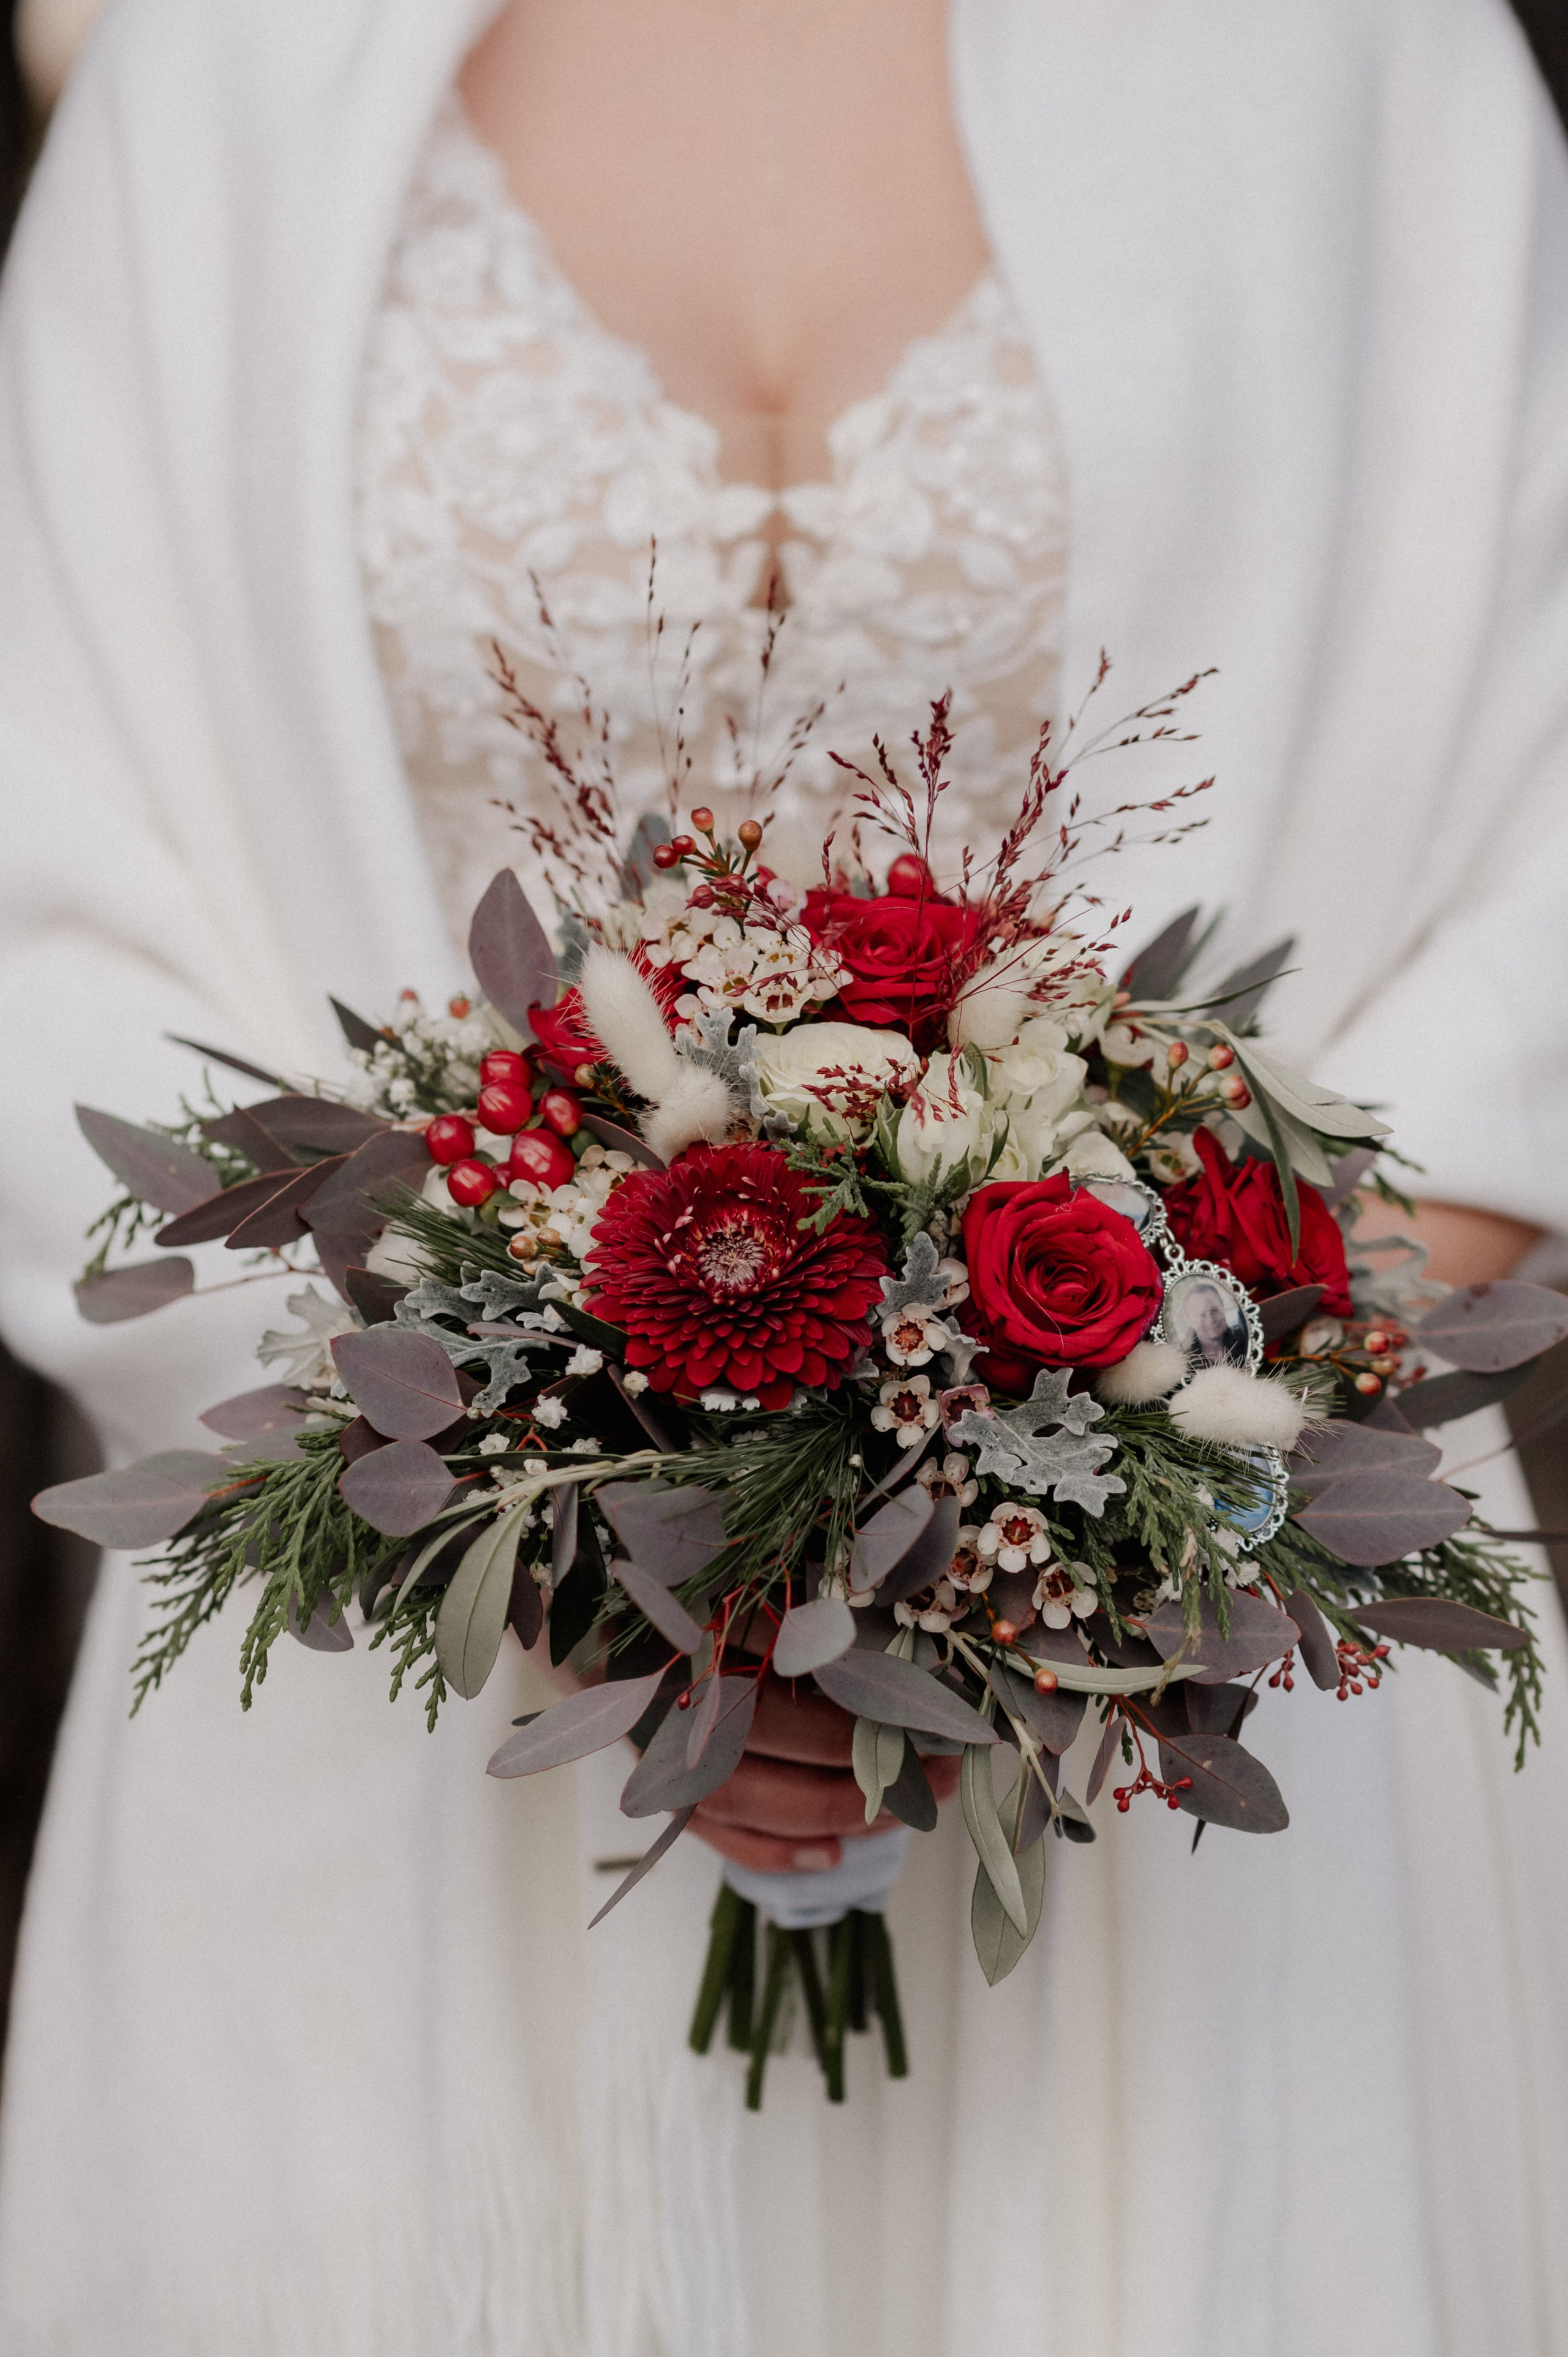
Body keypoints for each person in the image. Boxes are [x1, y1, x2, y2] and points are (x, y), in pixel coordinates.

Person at [2, 2, 1567, 2351]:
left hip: (1199, 1704)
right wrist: (554, 1498)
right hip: (407, 1681)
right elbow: (52, 892)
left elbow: (1529, 864)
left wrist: (1100, 1496)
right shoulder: (218, 74)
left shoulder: (1369, 54)